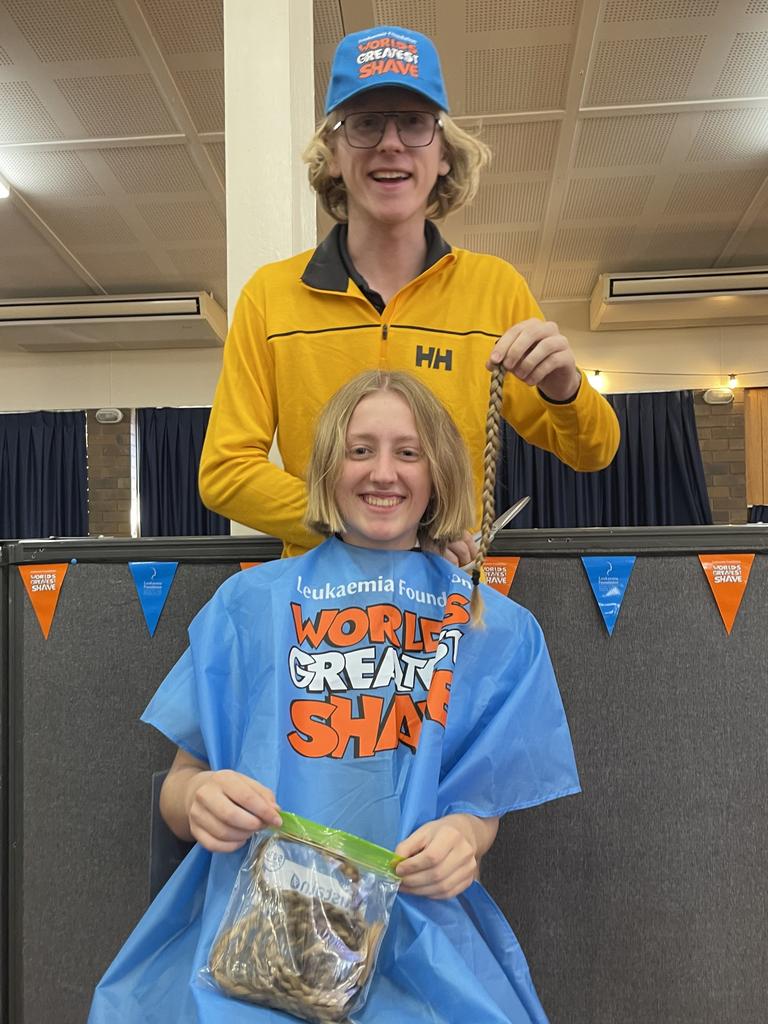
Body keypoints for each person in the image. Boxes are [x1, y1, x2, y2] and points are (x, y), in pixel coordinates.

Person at [88, 371, 580, 1023]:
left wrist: (465, 835)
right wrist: (198, 801)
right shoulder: (248, 605)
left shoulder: (492, 626)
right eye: (360, 450)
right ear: (328, 466)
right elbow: (182, 789)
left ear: (438, 470)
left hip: (417, 943)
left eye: (408, 451)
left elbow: (479, 803)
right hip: (253, 939)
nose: (383, 472)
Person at [198, 23, 620, 562]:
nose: (391, 142)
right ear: (332, 151)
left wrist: (564, 387)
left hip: (443, 607)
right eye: (367, 123)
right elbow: (225, 472)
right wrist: (365, 523)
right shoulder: (271, 295)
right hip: (314, 612)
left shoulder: (494, 290)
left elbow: (594, 451)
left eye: (414, 122)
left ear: (443, 151)